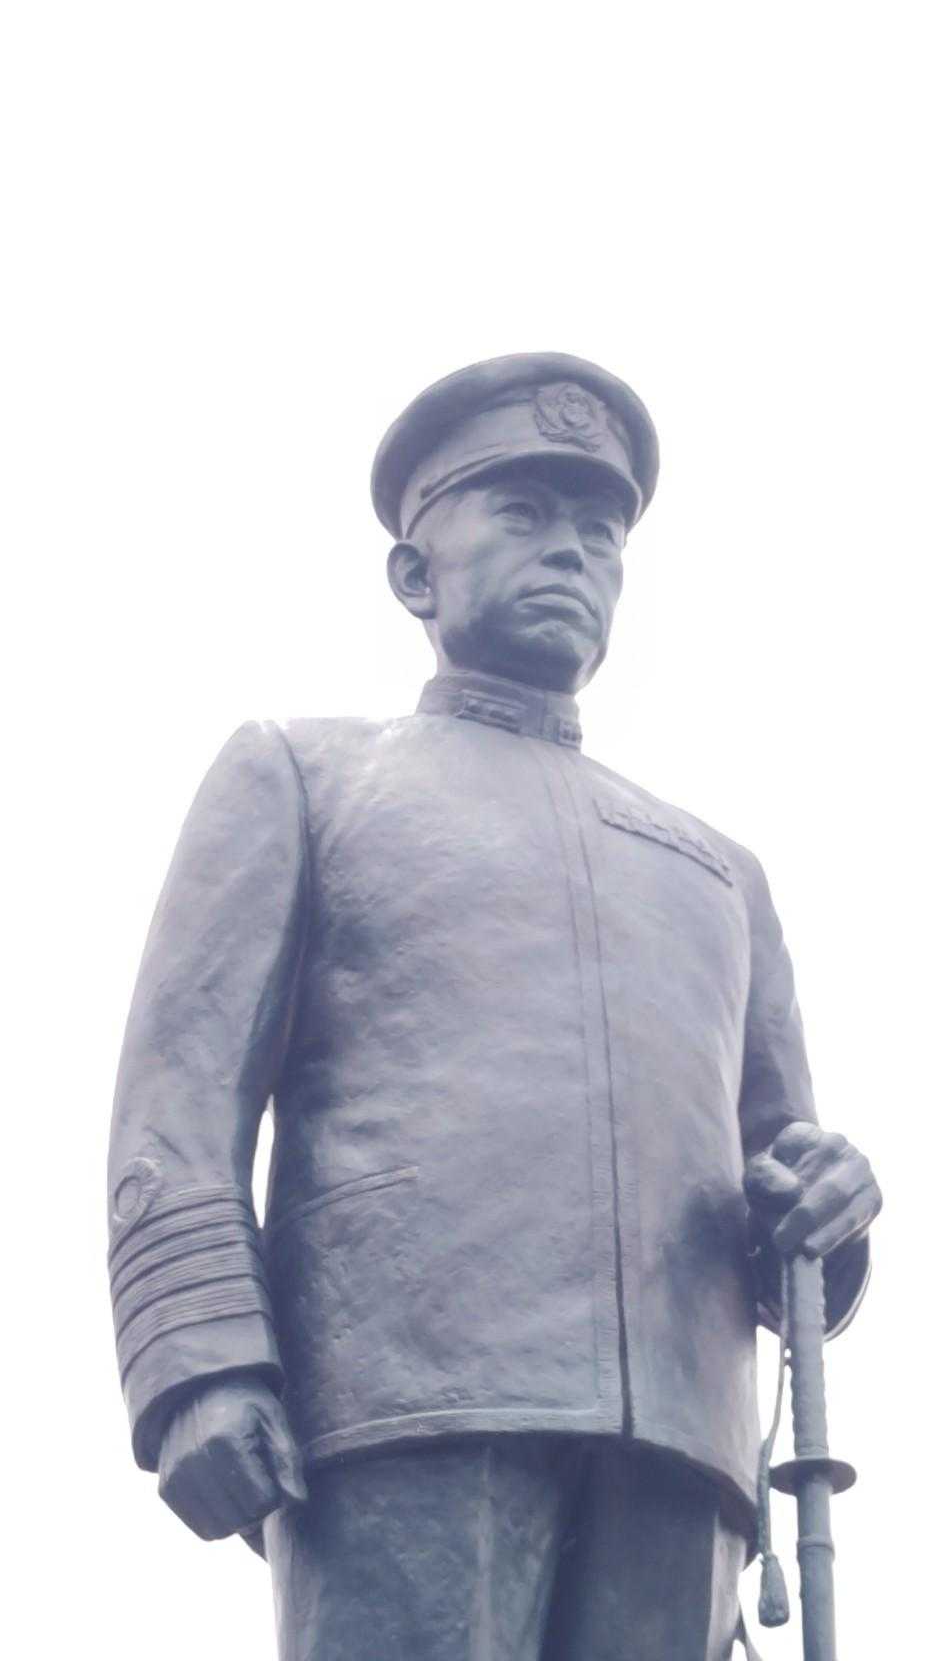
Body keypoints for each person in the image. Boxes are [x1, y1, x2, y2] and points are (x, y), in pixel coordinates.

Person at [107, 353, 881, 1660]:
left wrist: (830, 1207)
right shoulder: (304, 774)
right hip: (407, 1393)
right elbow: (177, 1099)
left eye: (600, 534)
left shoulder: (719, 875)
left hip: (681, 1439)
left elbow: (776, 1179)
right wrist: (198, 1362)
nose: (571, 552)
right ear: (416, 575)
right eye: (523, 515)